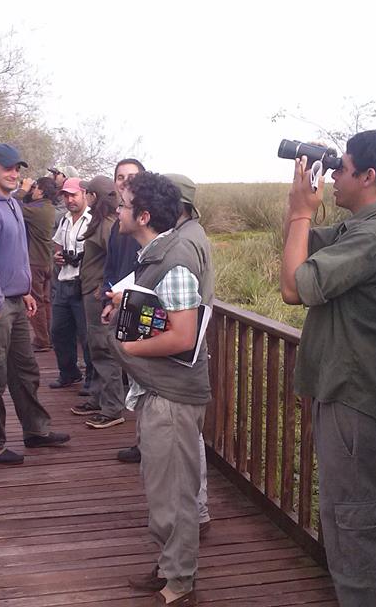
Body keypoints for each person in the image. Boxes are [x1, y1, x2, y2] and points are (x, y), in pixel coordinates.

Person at [280, 130, 376, 607]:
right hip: (348, 395)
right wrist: (300, 208)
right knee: (345, 518)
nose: (334, 177)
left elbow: (293, 288)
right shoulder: (363, 226)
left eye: (340, 168)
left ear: (369, 176)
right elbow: (296, 249)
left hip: (359, 401)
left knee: (359, 525)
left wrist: (302, 211)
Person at [105, 171, 209, 607]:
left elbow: (184, 336)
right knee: (161, 488)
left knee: (174, 493)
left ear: (143, 215)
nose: (117, 211)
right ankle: (169, 566)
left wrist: (128, 344)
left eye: (123, 205)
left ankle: (180, 583)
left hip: (171, 396)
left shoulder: (176, 257)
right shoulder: (157, 253)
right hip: (158, 390)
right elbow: (163, 315)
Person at [0, 143, 70, 465]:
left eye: (17, 169)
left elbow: (13, 254)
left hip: (14, 300)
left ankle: (36, 431)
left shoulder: (10, 204)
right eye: (7, 168)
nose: (14, 174)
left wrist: (24, 289)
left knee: (25, 369)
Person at [165, 173, 214, 538]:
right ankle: (196, 512)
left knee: (186, 441)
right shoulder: (190, 235)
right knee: (189, 438)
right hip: (191, 348)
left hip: (185, 354)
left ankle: (194, 515)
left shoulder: (184, 242)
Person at [69, 176, 125, 428]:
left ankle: (112, 407)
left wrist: (104, 289)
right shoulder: (102, 222)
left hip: (96, 295)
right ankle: (99, 398)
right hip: (90, 293)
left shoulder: (107, 225)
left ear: (94, 196)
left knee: (104, 350)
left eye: (87, 193)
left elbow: (116, 262)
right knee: (95, 348)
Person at [104, 158, 146, 463]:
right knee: (133, 375)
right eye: (120, 176)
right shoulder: (119, 220)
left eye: (132, 176)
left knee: (144, 376)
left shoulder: (147, 220)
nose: (125, 181)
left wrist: (125, 296)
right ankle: (141, 439)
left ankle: (146, 443)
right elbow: (112, 265)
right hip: (118, 301)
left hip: (139, 303)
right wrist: (110, 299)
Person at [49, 176, 94, 389]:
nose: (69, 200)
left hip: (83, 283)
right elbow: (57, 245)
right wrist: (58, 256)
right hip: (64, 281)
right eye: (66, 196)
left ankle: (92, 380)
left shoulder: (93, 219)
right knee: (58, 331)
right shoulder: (65, 219)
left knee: (86, 335)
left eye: (73, 195)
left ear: (84, 193)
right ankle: (68, 372)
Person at [15, 175, 58, 352]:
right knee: (47, 302)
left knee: (36, 302)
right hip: (48, 261)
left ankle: (42, 339)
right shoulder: (50, 209)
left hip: (35, 262)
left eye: (35, 188)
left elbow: (13, 206)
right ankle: (50, 336)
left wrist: (23, 189)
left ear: (40, 191)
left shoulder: (37, 210)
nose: (33, 191)